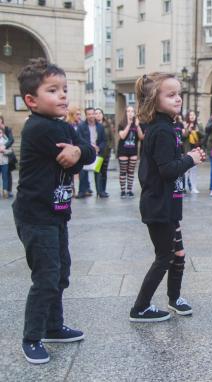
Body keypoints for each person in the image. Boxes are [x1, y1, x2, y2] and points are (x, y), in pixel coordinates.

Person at [13, 58, 95, 364]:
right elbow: (79, 156)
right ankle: (32, 337)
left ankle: (53, 326)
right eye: (53, 90)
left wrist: (77, 150)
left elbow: (88, 152)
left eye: (64, 89)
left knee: (60, 273)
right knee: (46, 276)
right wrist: (77, 152)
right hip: (36, 216)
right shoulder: (40, 128)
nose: (63, 95)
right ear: (31, 100)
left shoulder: (61, 125)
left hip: (56, 213)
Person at [129, 72, 206, 322]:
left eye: (179, 94)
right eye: (171, 95)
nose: (178, 99)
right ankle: (140, 307)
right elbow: (166, 170)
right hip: (159, 206)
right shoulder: (161, 129)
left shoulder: (169, 127)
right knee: (164, 257)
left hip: (168, 204)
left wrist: (186, 157)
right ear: (154, 99)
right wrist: (190, 159)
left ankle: (174, 299)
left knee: (179, 254)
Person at [77, 107, 106, 198]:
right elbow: (79, 139)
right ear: (86, 115)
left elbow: (103, 141)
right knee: (83, 173)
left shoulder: (100, 127)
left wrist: (99, 147)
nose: (91, 116)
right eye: (89, 114)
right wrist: (89, 146)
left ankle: (100, 191)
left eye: (92, 114)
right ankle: (82, 191)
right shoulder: (81, 126)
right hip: (85, 152)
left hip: (97, 153)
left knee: (98, 173)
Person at [117, 106, 144, 199]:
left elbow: (141, 137)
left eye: (132, 111)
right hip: (123, 151)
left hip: (133, 151)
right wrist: (128, 125)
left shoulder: (136, 125)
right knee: (123, 171)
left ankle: (129, 190)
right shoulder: (121, 124)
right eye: (128, 111)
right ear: (125, 113)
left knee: (131, 171)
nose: (130, 113)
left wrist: (137, 126)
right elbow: (122, 136)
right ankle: (123, 191)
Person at [183, 110, 204, 193]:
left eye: (193, 115)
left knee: (194, 170)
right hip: (186, 150)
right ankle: (183, 187)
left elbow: (203, 136)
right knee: (184, 171)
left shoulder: (199, 125)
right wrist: (188, 129)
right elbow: (182, 137)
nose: (192, 116)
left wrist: (198, 131)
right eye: (190, 115)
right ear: (188, 116)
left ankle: (193, 187)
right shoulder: (185, 125)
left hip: (195, 150)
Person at [94, 108, 114, 197]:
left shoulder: (107, 125)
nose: (98, 115)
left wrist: (110, 147)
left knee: (104, 171)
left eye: (99, 113)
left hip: (106, 152)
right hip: (97, 153)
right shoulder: (93, 126)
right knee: (97, 171)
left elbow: (111, 138)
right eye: (96, 113)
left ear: (102, 114)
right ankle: (99, 191)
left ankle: (103, 190)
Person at [0, 115, 15, 198]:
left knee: (7, 174)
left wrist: (4, 146)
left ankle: (8, 191)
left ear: (2, 121)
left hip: (7, 156)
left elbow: (11, 140)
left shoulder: (7, 129)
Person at [0, 125, 12, 198]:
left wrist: (4, 151)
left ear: (3, 133)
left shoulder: (6, 140)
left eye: (0, 132)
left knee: (5, 177)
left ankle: (5, 192)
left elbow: (10, 151)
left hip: (4, 162)